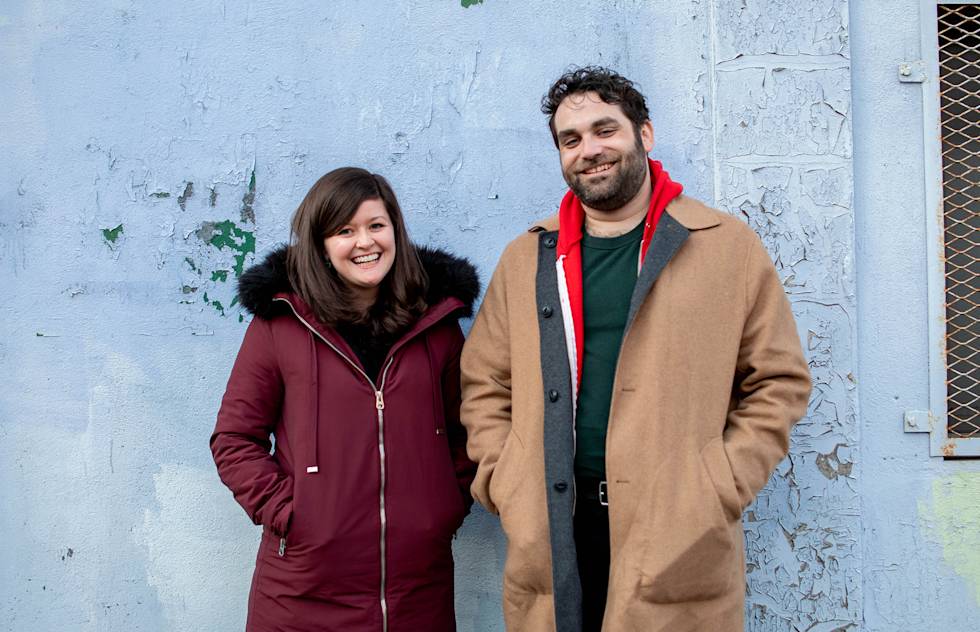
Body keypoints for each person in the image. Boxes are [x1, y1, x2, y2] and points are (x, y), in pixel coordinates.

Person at [460, 66, 812, 631]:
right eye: (570, 140)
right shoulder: (527, 258)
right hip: (554, 524)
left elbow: (778, 380)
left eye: (606, 131)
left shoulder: (724, 248)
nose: (589, 150)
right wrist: (507, 480)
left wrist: (719, 483)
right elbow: (484, 382)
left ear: (644, 135)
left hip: (676, 525)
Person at [211, 167, 478, 631]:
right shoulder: (281, 324)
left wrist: (443, 506)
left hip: (416, 591)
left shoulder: (437, 326)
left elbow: (468, 431)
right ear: (321, 243)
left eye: (376, 225)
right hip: (302, 591)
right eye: (344, 231)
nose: (365, 242)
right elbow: (234, 439)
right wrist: (293, 514)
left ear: (395, 230)